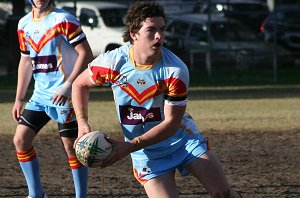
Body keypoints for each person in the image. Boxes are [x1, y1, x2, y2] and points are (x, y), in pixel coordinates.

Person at [72, 1, 242, 198]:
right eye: (151, 30)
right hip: (146, 153)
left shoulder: (174, 70)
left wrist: (130, 145)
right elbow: (79, 84)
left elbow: (171, 123)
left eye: (162, 29)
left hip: (182, 141)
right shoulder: (113, 63)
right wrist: (82, 123)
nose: (159, 36)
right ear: (134, 34)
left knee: (222, 194)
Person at [11, 0, 93, 197]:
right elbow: (25, 61)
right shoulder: (23, 24)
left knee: (72, 148)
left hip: (65, 96)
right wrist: (19, 98)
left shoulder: (63, 19)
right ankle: (36, 194)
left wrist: (68, 86)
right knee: (21, 140)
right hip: (39, 95)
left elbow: (86, 53)